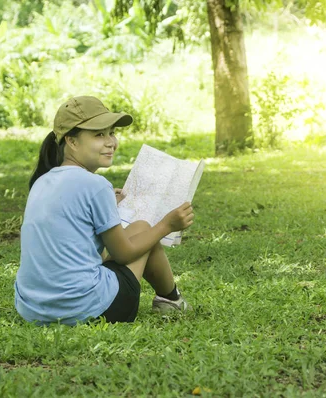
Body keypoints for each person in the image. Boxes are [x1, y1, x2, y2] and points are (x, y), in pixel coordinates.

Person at [14, 96, 194, 326]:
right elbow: (124, 255)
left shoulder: (42, 182)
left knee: (139, 227)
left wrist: (110, 205)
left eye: (111, 133)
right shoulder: (96, 185)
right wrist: (167, 225)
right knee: (147, 233)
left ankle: (171, 300)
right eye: (99, 134)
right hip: (90, 309)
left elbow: (80, 245)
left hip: (33, 310)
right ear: (72, 141)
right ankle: (171, 299)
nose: (111, 142)